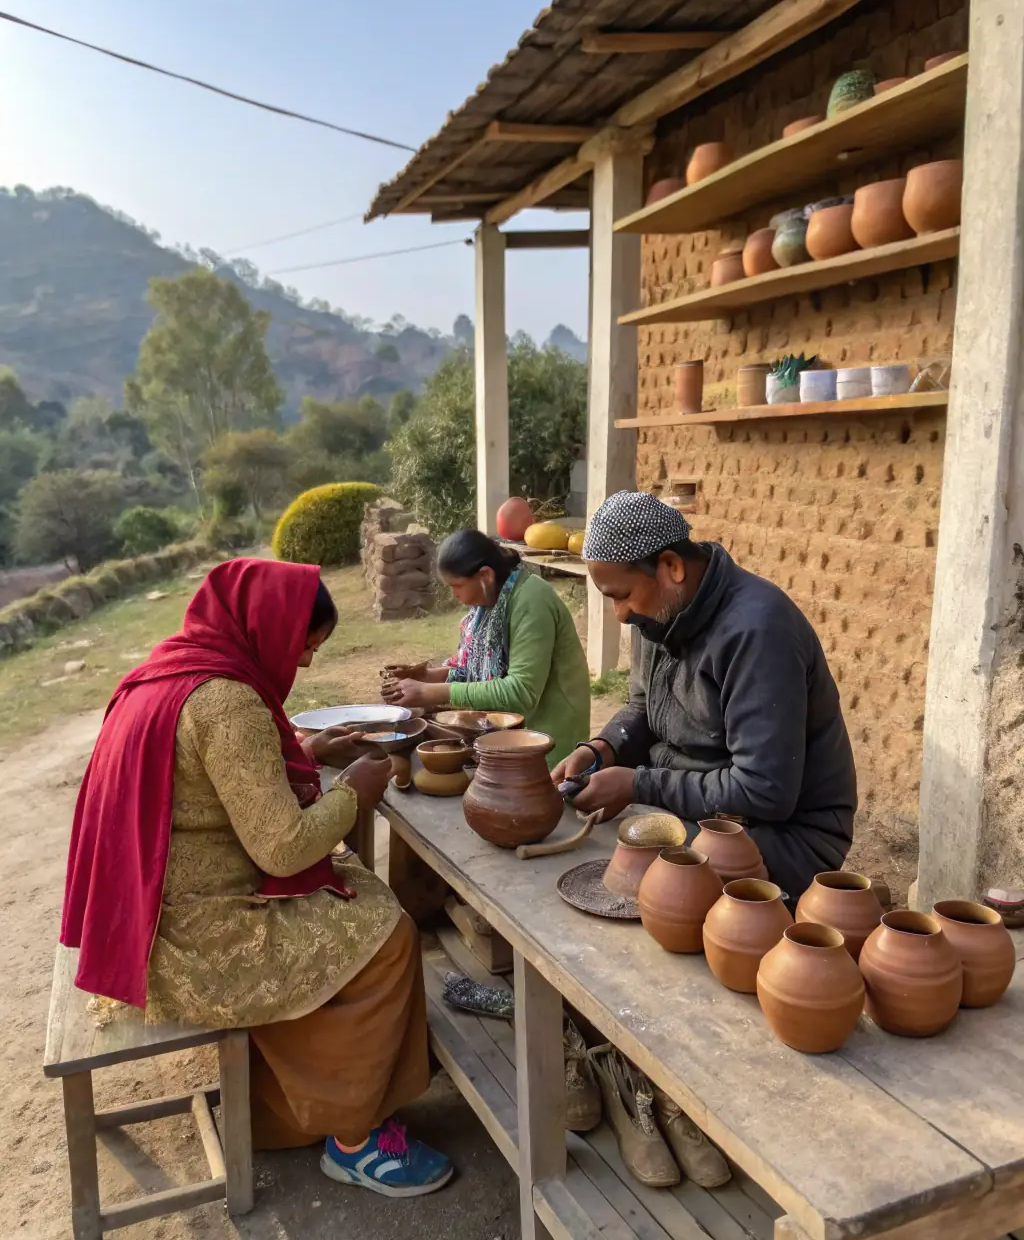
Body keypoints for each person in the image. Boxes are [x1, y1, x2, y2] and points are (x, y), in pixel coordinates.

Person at [60, 557, 452, 1198]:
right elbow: (283, 850)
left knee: (354, 890)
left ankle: (281, 1108)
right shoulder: (229, 703)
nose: (301, 667)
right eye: (302, 648)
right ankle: (353, 1136)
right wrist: (355, 791)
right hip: (192, 943)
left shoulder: (167, 672)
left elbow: (209, 783)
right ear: (265, 628)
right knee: (388, 934)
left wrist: (307, 753)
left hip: (141, 917)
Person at [552, 491, 857, 900]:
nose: (620, 614)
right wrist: (602, 749)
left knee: (636, 884)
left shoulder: (759, 632)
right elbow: (644, 706)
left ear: (672, 567)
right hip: (696, 809)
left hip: (782, 836)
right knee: (581, 850)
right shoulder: (658, 615)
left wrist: (638, 784)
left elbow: (763, 791)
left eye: (621, 595)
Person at [381, 528, 590, 768]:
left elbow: (520, 693)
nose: (454, 595)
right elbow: (473, 666)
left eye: (456, 585)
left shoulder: (532, 601)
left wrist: (429, 692)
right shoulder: (491, 601)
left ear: (485, 575)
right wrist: (428, 677)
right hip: (511, 740)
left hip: (550, 750)